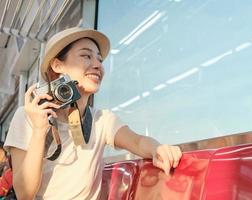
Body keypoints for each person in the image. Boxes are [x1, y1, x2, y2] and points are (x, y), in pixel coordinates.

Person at [4, 27, 182, 200]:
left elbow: (138, 141)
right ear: (57, 65)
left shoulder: (102, 120)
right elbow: (24, 194)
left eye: (100, 60)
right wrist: (38, 130)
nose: (97, 65)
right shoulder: (27, 116)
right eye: (86, 56)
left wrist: (157, 148)